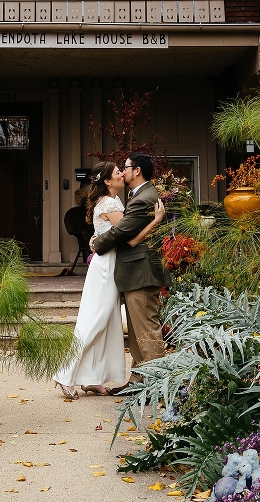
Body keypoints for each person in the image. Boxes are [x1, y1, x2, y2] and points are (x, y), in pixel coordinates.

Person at [53, 160, 165, 399]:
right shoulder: (109, 202)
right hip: (105, 269)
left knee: (106, 324)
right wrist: (156, 220)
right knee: (94, 322)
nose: (122, 174)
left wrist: (95, 239)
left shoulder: (114, 201)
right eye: (117, 172)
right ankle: (64, 375)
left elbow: (108, 233)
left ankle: (92, 378)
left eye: (123, 169)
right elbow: (130, 239)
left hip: (112, 266)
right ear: (107, 180)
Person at [91, 152, 170, 395]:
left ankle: (157, 385)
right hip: (134, 273)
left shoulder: (144, 198)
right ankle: (138, 381)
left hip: (141, 273)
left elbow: (122, 232)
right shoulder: (139, 196)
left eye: (125, 167)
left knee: (147, 330)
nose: (123, 171)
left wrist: (97, 244)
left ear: (136, 170)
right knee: (136, 333)